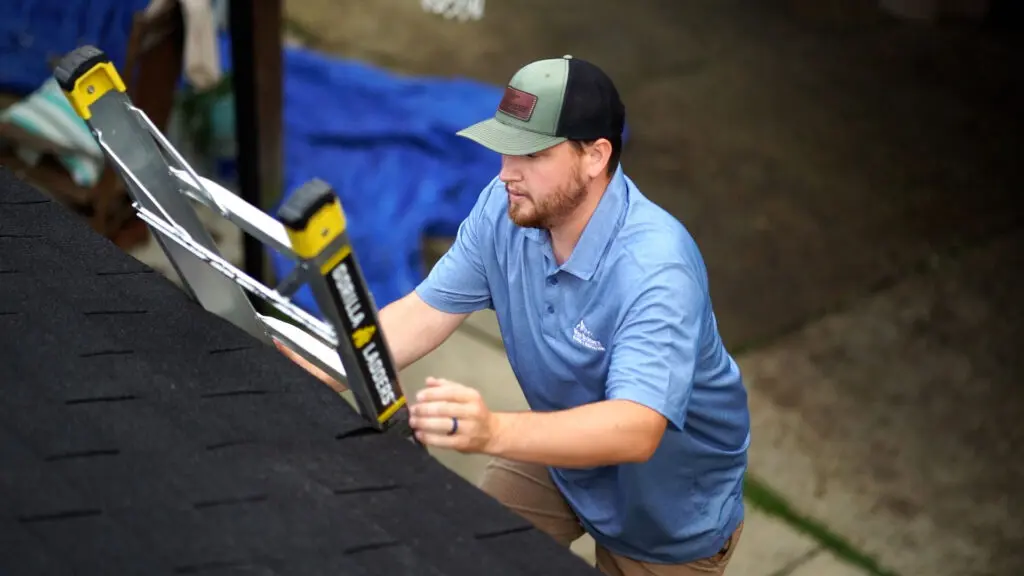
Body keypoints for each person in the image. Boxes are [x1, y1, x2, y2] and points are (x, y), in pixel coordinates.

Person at [277, 55, 750, 576]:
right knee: (459, 556)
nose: (506, 172)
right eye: (505, 147)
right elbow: (422, 312)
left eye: (531, 154)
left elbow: (636, 430)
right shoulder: (505, 209)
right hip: (560, 456)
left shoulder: (657, 270)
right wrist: (304, 369)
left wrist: (492, 432)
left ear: (595, 157)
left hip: (665, 515)